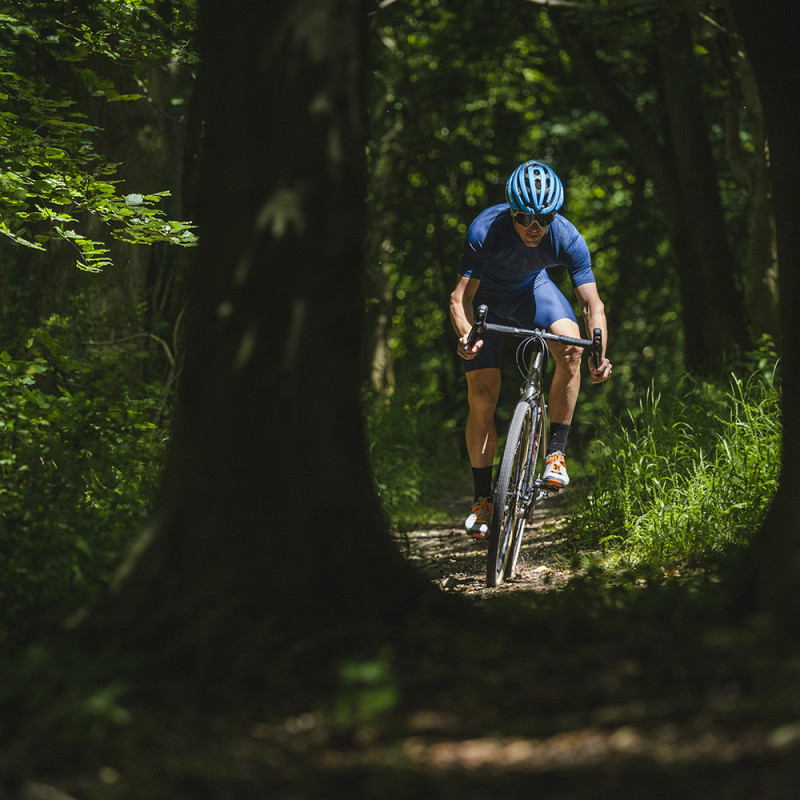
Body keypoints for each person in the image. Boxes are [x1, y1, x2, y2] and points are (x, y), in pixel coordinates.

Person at [450, 159, 612, 539]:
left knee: (571, 348)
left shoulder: (567, 237)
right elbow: (460, 299)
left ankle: (555, 451)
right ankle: (482, 500)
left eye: (544, 217)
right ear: (511, 212)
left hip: (531, 292)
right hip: (484, 302)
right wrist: (466, 336)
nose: (534, 227)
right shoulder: (485, 229)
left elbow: (592, 305)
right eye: (524, 218)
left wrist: (599, 353)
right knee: (484, 395)